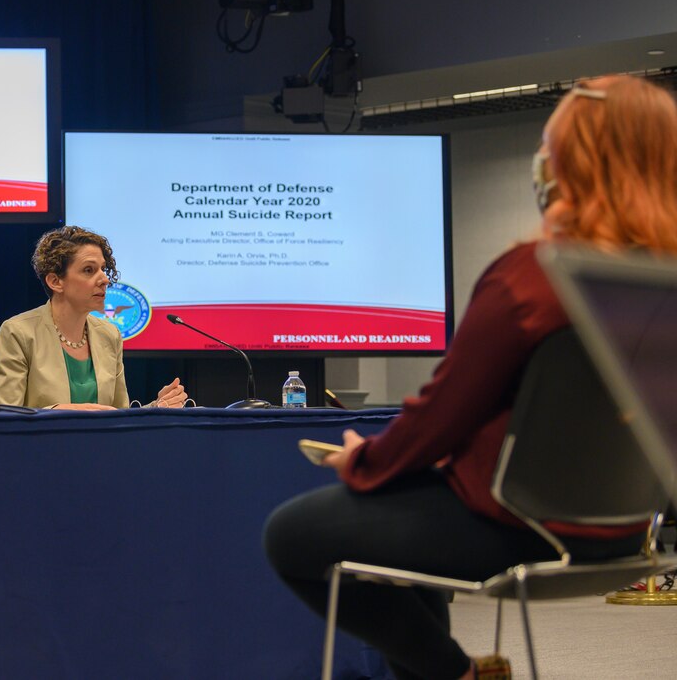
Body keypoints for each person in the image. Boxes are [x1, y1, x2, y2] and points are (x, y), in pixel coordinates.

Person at [263, 74, 677, 680]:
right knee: (399, 520)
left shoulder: (535, 275)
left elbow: (442, 414)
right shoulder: (659, 285)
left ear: (570, 165)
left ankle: (455, 673)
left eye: (549, 145)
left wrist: (364, 462)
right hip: (628, 534)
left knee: (291, 536)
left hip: (517, 528)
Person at [0, 225, 187, 409]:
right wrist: (60, 412)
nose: (104, 279)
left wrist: (157, 407)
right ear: (56, 281)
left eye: (103, 269)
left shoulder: (109, 335)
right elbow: (4, 416)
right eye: (89, 270)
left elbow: (119, 416)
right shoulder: (18, 332)